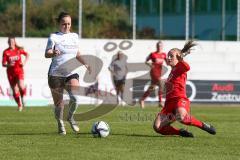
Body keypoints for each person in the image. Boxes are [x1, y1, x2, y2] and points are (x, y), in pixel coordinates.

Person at [153, 40, 216, 137]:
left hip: (179, 99)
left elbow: (187, 67)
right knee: (157, 127)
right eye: (168, 56)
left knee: (182, 117)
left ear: (178, 58)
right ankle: (180, 132)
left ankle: (203, 125)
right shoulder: (172, 71)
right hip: (169, 104)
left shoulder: (180, 67)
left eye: (171, 56)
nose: (168, 58)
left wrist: (181, 59)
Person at [45, 12, 91, 135]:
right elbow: (47, 53)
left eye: (69, 24)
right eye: (64, 24)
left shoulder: (74, 36)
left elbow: (77, 53)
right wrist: (53, 52)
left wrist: (86, 63)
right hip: (56, 74)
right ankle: (60, 123)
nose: (66, 26)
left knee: (75, 98)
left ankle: (70, 117)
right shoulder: (53, 37)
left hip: (71, 72)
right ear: (59, 24)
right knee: (59, 105)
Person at [2, 37, 29, 112]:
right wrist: (8, 65)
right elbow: (3, 64)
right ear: (8, 43)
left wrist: (24, 63)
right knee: (14, 90)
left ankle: (23, 98)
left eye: (12, 42)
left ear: (14, 42)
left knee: (21, 85)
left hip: (19, 71)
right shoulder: (6, 52)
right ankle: (19, 105)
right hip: (10, 73)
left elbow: (27, 55)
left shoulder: (18, 50)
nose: (11, 43)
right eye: (10, 42)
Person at [140, 41, 167, 109]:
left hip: (159, 72)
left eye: (160, 46)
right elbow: (146, 61)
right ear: (156, 46)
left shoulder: (164, 54)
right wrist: (150, 64)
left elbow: (167, 62)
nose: (159, 47)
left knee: (152, 88)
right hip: (154, 72)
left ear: (162, 47)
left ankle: (142, 99)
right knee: (161, 83)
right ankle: (160, 102)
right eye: (158, 45)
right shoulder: (152, 54)